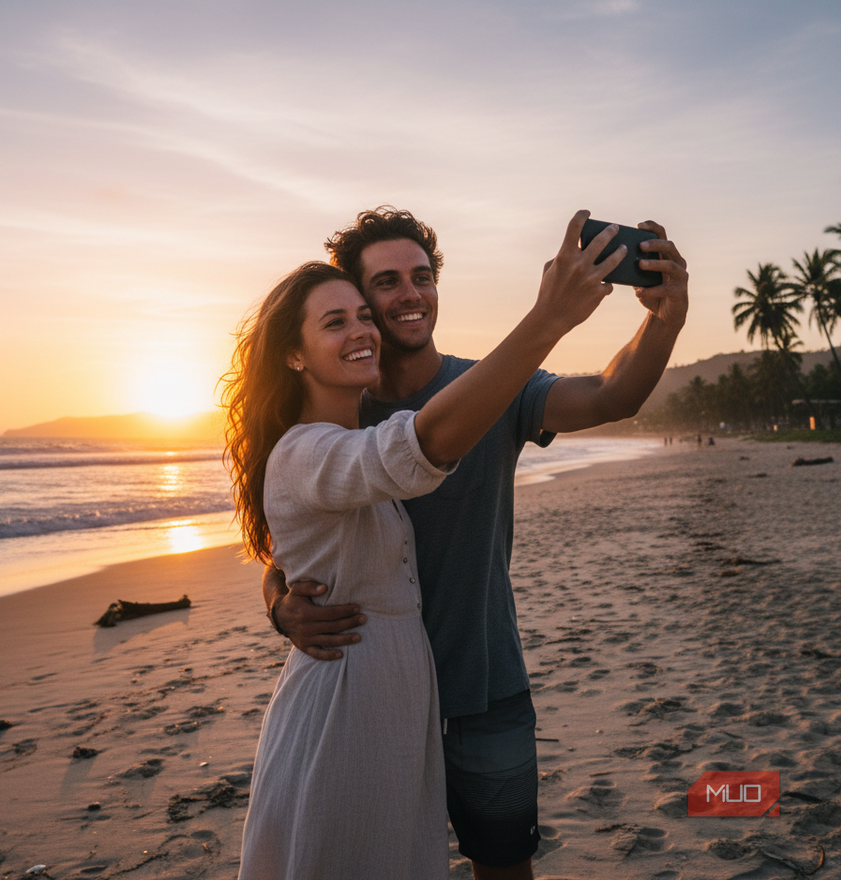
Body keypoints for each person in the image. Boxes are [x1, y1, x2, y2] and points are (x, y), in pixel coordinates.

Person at [262, 208, 689, 879]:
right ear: (358, 303)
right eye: (386, 282)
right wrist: (281, 602)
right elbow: (289, 535)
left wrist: (664, 318)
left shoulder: (491, 384)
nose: (410, 293)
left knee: (504, 864)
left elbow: (612, 394)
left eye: (422, 277)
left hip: (482, 686)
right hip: (377, 699)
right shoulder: (339, 409)